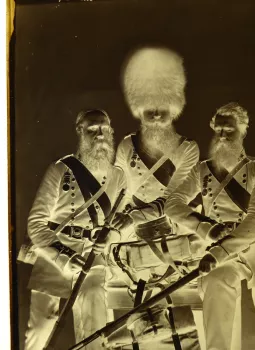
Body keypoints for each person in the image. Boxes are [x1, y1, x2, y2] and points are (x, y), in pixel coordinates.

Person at [165, 102, 255, 350]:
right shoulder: (202, 171)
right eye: (219, 129)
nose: (223, 135)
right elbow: (173, 204)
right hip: (219, 249)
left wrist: (218, 251)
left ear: (243, 132)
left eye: (230, 130)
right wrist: (206, 228)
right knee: (215, 280)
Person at [109, 46, 202, 350]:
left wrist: (134, 217)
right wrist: (120, 220)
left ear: (175, 106)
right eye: (150, 108)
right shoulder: (125, 147)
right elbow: (119, 192)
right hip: (132, 232)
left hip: (172, 227)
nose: (157, 115)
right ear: (138, 108)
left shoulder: (188, 149)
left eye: (163, 107)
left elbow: (175, 200)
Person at [23, 109, 126, 350]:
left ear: (110, 131)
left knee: (94, 322)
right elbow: (36, 223)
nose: (99, 134)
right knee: (41, 329)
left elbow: (123, 221)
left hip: (92, 257)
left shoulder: (118, 176)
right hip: (53, 253)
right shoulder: (60, 169)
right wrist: (64, 256)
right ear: (80, 131)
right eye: (92, 129)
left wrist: (112, 234)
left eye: (104, 129)